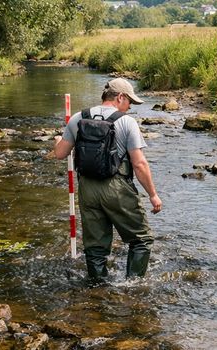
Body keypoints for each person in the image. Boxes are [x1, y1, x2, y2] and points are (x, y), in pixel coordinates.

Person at [51, 78, 163, 282]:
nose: (129, 107)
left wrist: (58, 140)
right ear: (120, 97)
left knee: (95, 246)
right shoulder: (126, 122)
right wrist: (153, 195)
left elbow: (60, 154)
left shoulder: (77, 118)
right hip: (117, 188)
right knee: (141, 239)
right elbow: (139, 164)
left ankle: (98, 288)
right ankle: (133, 286)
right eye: (129, 102)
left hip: (87, 189)